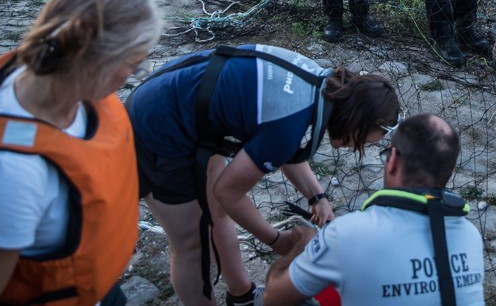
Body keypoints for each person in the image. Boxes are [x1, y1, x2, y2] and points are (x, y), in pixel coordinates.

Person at [0, 0, 163, 305]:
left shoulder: (51, 80)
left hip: (96, 284)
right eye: (134, 65)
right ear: (91, 61)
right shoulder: (9, 176)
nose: (134, 77)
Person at [126, 44, 401, 306]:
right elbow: (230, 192)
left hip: (187, 108)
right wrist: (275, 239)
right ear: (358, 124)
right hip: (158, 127)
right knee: (190, 243)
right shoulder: (290, 124)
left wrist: (318, 197)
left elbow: (282, 144)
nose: (357, 148)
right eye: (364, 141)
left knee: (217, 212)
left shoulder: (321, 84)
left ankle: (241, 296)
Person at [262, 113, 484, 306]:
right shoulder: (470, 235)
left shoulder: (348, 232)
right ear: (451, 171)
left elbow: (272, 298)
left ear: (393, 158)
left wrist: (304, 243)